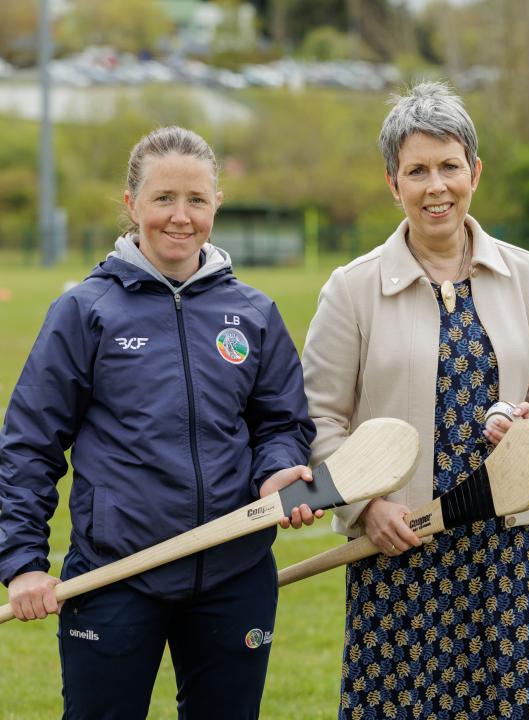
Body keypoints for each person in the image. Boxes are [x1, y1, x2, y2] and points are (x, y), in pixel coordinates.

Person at [0, 126, 321, 719]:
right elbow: (28, 444)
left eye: (196, 200)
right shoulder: (86, 311)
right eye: (163, 199)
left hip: (234, 571)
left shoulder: (253, 312)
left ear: (216, 204)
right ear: (132, 206)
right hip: (115, 576)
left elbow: (282, 423)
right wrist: (22, 562)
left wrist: (278, 470)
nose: (180, 217)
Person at [301, 81, 529, 719]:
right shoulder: (352, 289)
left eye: (450, 166)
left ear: (475, 172)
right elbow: (317, 419)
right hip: (401, 546)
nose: (437, 186)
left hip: (507, 550)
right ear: (392, 183)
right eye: (417, 170)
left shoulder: (526, 273)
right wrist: (365, 508)